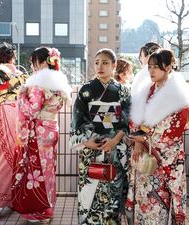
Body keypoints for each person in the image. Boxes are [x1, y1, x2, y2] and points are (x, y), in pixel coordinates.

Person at [126, 49, 189, 225]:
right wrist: (137, 141)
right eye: (149, 67)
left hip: (167, 154)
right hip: (145, 153)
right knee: (144, 195)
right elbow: (135, 121)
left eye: (156, 67)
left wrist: (144, 137)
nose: (152, 71)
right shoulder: (147, 90)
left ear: (169, 67)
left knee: (162, 197)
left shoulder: (179, 93)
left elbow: (176, 126)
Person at [71, 48, 131, 225]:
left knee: (113, 196)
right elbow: (76, 121)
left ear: (114, 66)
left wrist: (115, 139)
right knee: (89, 195)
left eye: (105, 63)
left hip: (114, 149)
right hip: (91, 149)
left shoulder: (123, 91)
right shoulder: (86, 90)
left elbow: (127, 122)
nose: (100, 66)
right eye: (97, 62)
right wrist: (86, 142)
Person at [12, 47, 71, 224]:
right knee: (48, 170)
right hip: (52, 127)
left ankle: (40, 211)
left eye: (33, 62)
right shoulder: (58, 82)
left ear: (43, 62)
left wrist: (21, 95)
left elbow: (32, 110)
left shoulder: (39, 83)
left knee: (36, 170)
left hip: (39, 131)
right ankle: (48, 206)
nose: (32, 66)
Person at [0, 45, 28, 220]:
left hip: (3, 115)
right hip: (21, 117)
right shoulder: (23, 76)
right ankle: (19, 199)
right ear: (13, 59)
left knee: (2, 160)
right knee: (21, 158)